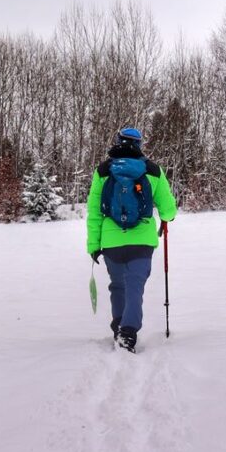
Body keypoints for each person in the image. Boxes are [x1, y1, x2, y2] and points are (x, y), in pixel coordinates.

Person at [86, 127, 177, 351]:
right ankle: (128, 332)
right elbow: (168, 210)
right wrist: (167, 217)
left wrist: (93, 245)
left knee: (118, 286)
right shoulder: (153, 170)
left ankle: (119, 327)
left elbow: (95, 211)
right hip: (142, 240)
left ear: (118, 141)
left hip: (111, 241)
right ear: (139, 144)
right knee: (135, 285)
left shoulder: (103, 170)